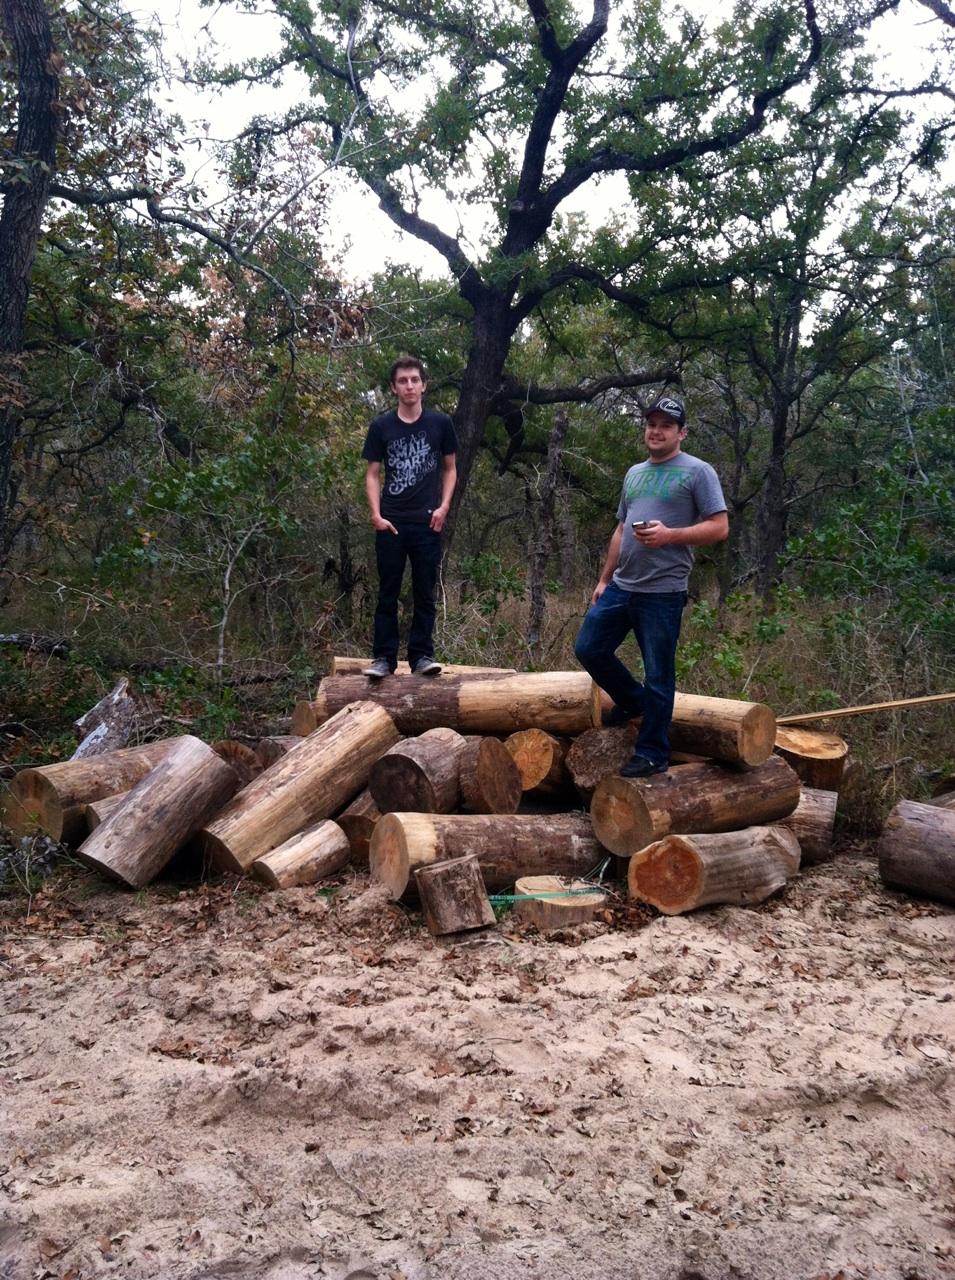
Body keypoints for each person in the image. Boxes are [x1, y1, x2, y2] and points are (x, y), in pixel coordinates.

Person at [574, 393, 729, 777]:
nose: (656, 431)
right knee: (589, 648)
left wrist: (670, 535)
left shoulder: (698, 471)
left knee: (659, 674)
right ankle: (632, 701)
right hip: (622, 585)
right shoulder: (634, 473)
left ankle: (653, 753)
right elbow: (621, 528)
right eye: (651, 424)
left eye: (666, 426)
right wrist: (604, 578)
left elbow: (719, 527)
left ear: (682, 432)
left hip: (663, 591)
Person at [361, 357, 458, 678]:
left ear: (424, 385)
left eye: (415, 380)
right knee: (387, 593)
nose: (409, 386)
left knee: (424, 593)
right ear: (394, 388)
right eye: (403, 381)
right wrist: (376, 515)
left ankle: (421, 656)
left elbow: (450, 468)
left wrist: (444, 507)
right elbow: (372, 473)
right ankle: (383, 659)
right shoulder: (382, 427)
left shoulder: (440, 423)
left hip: (427, 522)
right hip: (391, 523)